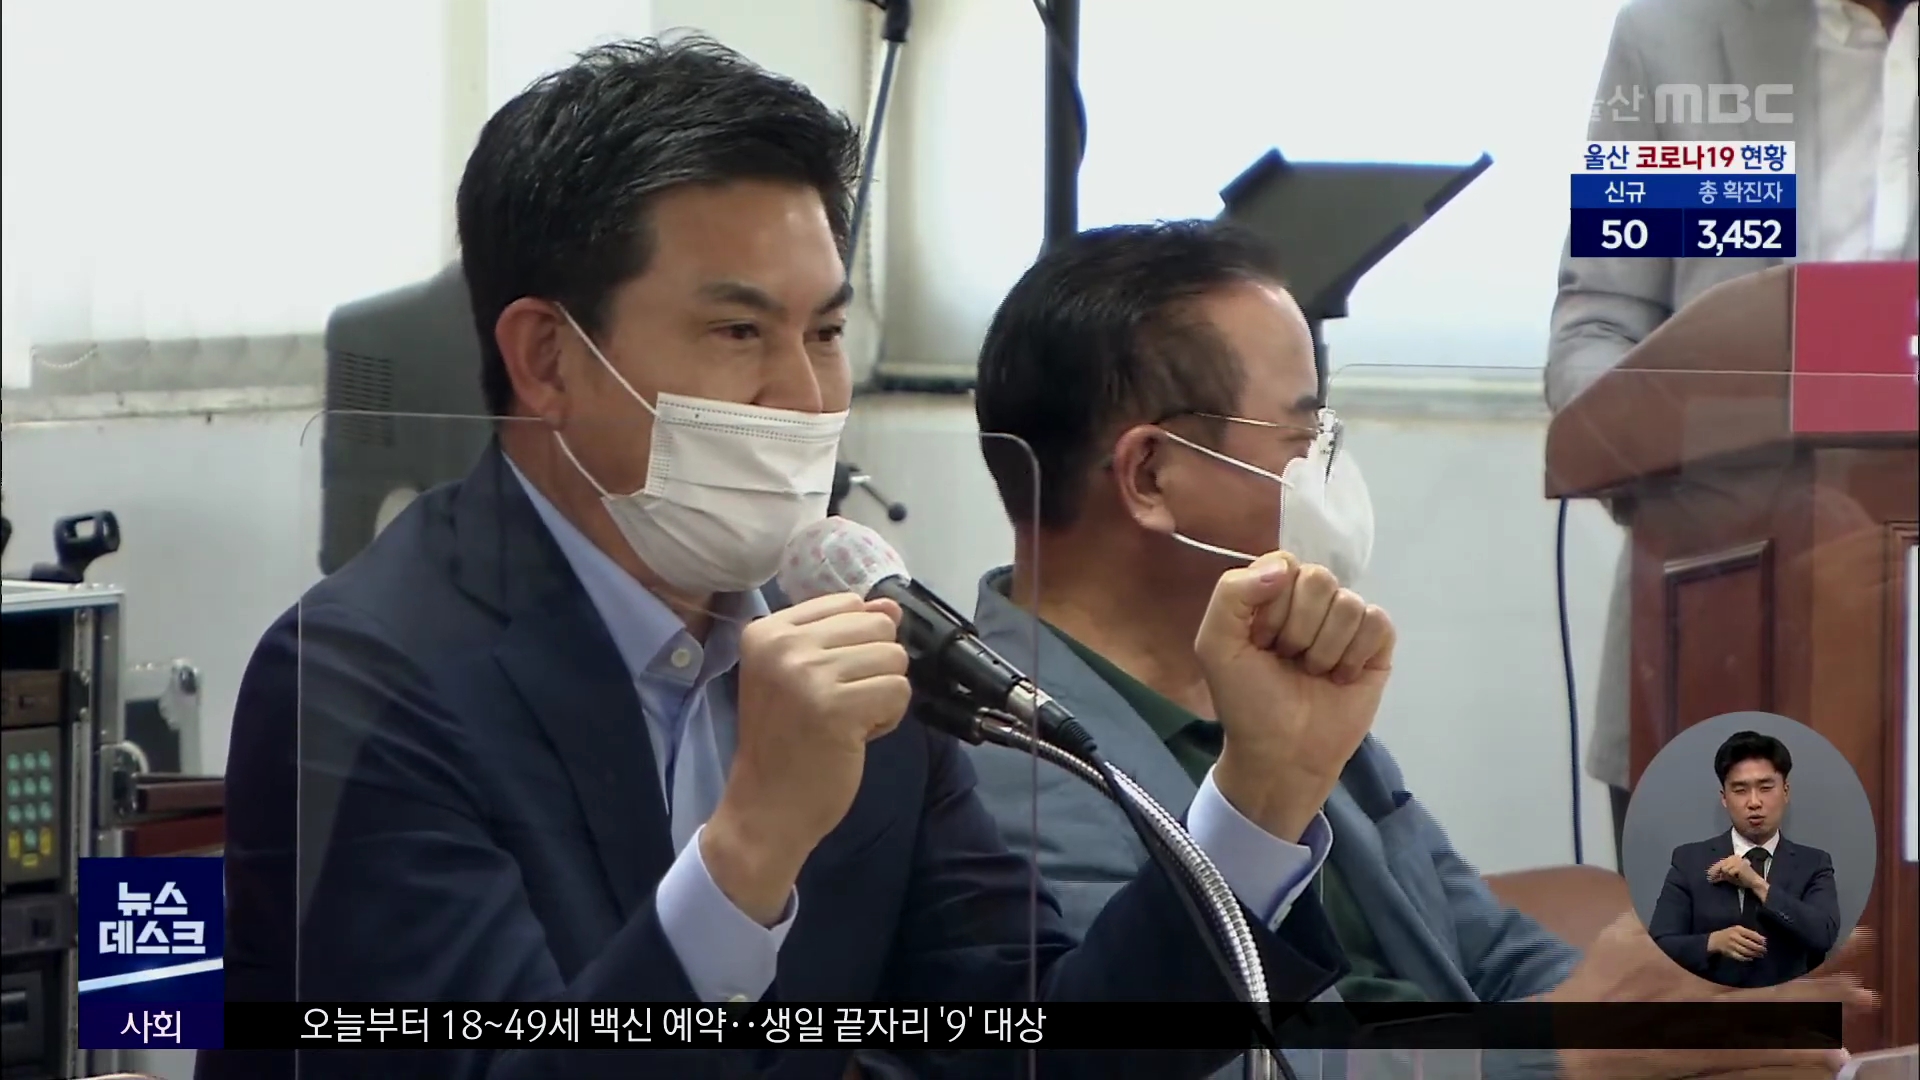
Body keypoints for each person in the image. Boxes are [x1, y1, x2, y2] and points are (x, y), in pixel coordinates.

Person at [204, 39, 1367, 1080]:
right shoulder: (364, 676)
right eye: (739, 332)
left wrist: (1261, 796)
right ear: (548, 360)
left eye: (825, 332)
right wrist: (750, 849)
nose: (806, 396)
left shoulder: (855, 633)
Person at [967, 221, 1872, 1080]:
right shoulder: (1003, 757)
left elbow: (1485, 948)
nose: (1330, 471)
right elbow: (1187, 1063)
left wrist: (1672, 1019)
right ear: (1150, 475)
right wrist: (1565, 1053)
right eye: (1304, 435)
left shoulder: (1286, 677)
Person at [1547, 0, 1918, 865]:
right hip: (1720, 628)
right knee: (1717, 948)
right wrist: (1661, 461)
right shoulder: (1684, 35)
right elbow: (1602, 327)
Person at [1648, 731, 1841, 989]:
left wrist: (1757, 884)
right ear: (1724, 798)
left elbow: (1823, 935)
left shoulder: (1814, 863)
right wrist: (1712, 942)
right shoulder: (1689, 860)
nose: (1754, 802)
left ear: (1785, 791)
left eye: (1766, 788)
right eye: (1740, 790)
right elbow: (1660, 945)